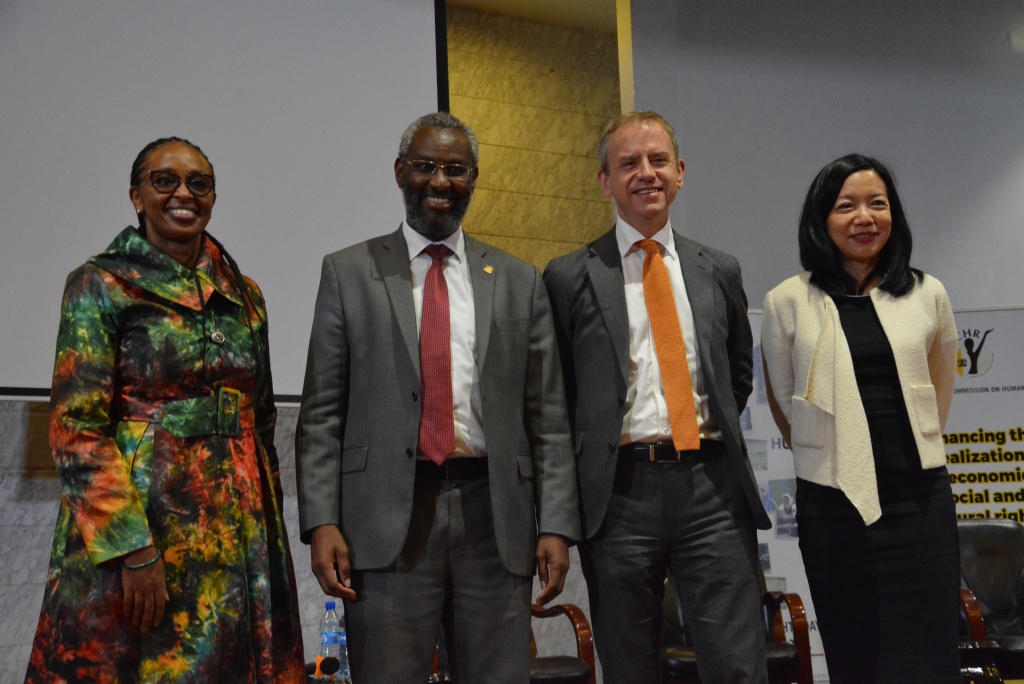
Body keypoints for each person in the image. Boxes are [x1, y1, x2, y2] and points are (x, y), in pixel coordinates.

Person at [295, 112, 580, 684]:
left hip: (494, 517)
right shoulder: (348, 273)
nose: (440, 181)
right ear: (400, 172)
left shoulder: (519, 280)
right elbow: (321, 415)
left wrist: (555, 524)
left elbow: (548, 417)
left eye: (456, 170)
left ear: (474, 178)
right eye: (425, 166)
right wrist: (321, 521)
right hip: (384, 522)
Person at [25, 137, 305, 682]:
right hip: (143, 533)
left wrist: (269, 534)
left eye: (199, 183)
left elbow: (262, 417)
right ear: (137, 196)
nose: (184, 193)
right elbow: (76, 429)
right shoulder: (99, 283)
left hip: (242, 536)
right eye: (164, 180)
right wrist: (132, 549)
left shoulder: (244, 293)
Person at [544, 111, 770, 683]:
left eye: (658, 160)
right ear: (605, 182)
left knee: (739, 667)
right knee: (630, 668)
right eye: (629, 164)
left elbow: (737, 374)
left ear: (680, 172)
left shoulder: (719, 269)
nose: (646, 173)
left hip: (713, 490)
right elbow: (556, 398)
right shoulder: (568, 277)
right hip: (619, 494)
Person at [760, 153, 959, 683]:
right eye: (846, 206)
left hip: (920, 501)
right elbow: (784, 403)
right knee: (856, 655)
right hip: (834, 504)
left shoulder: (928, 293)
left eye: (877, 204)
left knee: (930, 655)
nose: (864, 217)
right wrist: (828, 454)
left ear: (894, 214)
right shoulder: (787, 301)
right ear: (822, 218)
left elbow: (941, 384)